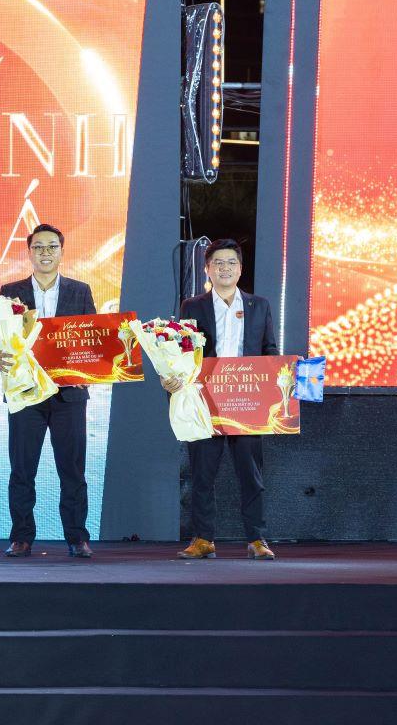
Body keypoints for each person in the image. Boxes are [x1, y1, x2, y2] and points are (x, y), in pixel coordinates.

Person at [0, 224, 97, 559]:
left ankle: (77, 538)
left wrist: (89, 372)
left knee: (73, 470)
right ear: (29, 252)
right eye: (38, 247)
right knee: (22, 470)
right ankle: (21, 537)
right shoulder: (10, 292)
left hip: (69, 395)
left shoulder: (80, 291)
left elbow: (92, 340)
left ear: (61, 252)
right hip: (25, 394)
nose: (45, 253)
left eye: (52, 247)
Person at [167, 238, 279, 560]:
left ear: (240, 269)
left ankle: (257, 539)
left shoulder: (260, 305)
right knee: (202, 474)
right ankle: (203, 539)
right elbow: (181, 349)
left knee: (251, 475)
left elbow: (270, 350)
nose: (225, 268)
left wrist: (280, 379)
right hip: (205, 400)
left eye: (231, 263)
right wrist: (171, 376)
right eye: (218, 263)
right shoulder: (192, 306)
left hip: (247, 403)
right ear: (208, 269)